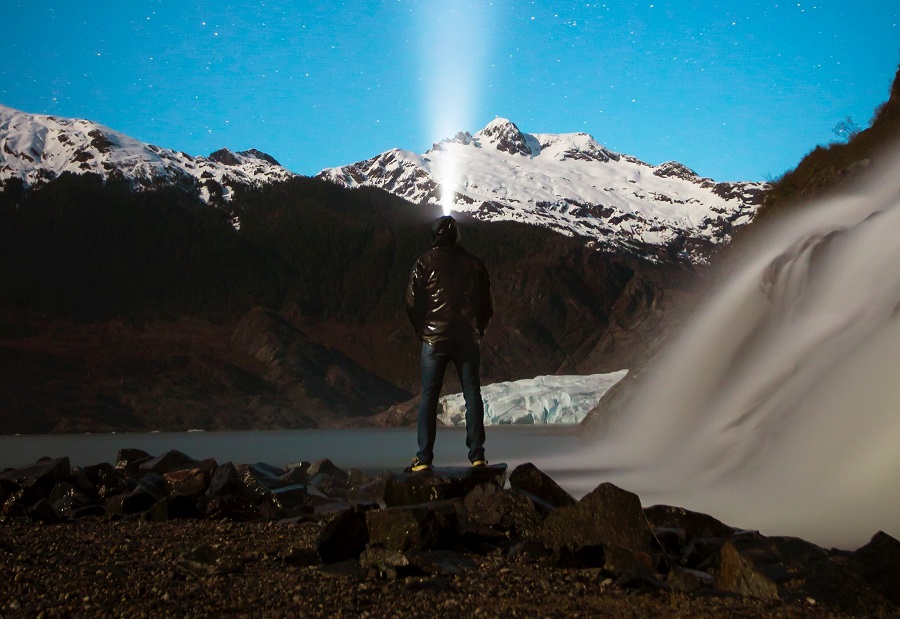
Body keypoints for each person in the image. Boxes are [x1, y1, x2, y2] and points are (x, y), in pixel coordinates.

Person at [405, 215, 493, 472]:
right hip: (467, 338)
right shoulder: (475, 264)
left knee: (429, 397)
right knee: (472, 395)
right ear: (456, 236)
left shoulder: (423, 263)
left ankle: (423, 459)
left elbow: (411, 302)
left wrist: (422, 330)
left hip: (433, 339)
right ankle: (477, 456)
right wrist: (479, 328)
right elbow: (487, 303)